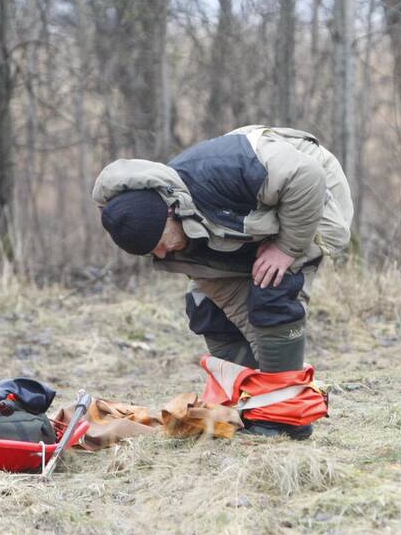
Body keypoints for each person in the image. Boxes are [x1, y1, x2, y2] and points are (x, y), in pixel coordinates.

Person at [92, 125, 353, 439]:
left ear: (171, 213)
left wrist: (286, 249)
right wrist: (264, 369)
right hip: (246, 224)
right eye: (153, 252)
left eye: (162, 242)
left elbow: (306, 175)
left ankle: (286, 419)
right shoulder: (173, 246)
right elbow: (233, 301)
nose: (162, 253)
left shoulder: (225, 170)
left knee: (273, 288)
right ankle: (250, 403)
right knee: (205, 307)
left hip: (312, 194)